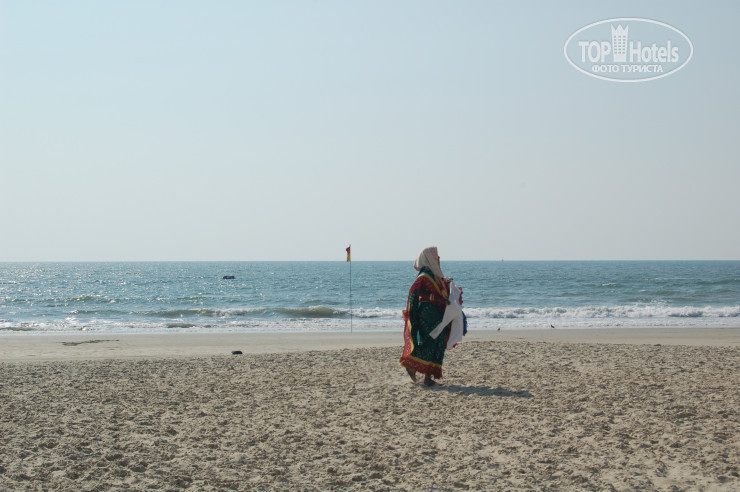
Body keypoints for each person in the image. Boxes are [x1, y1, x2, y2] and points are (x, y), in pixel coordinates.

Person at [399, 246, 458, 387]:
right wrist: (437, 298)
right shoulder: (424, 274)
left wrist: (447, 284)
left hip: (436, 312)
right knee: (431, 340)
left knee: (438, 341)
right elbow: (418, 291)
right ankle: (413, 366)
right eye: (435, 256)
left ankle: (426, 376)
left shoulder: (434, 273)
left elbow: (439, 289)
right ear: (428, 258)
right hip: (427, 312)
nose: (438, 258)